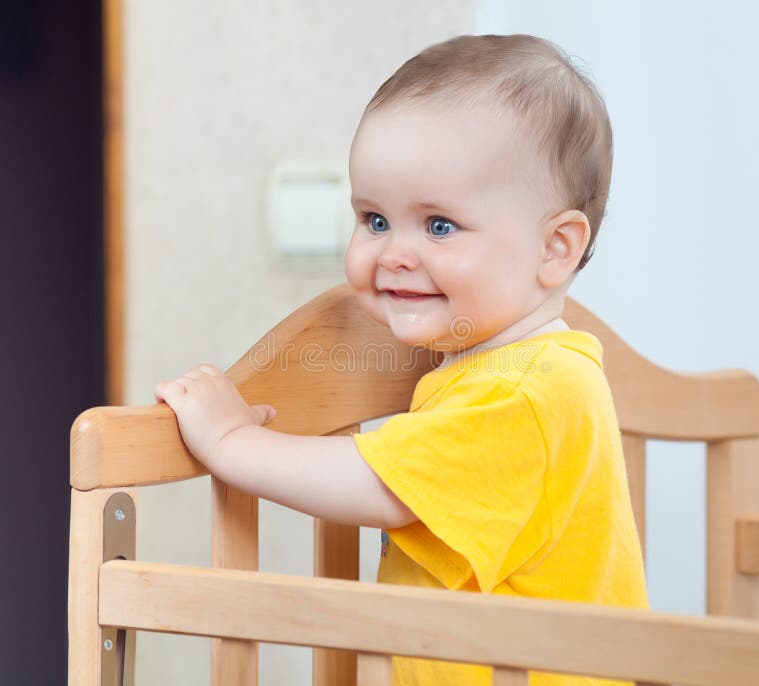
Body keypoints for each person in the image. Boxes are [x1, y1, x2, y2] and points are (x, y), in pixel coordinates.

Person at [154, 34, 649, 685]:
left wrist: (228, 439)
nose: (393, 254)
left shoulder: (529, 394)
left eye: (439, 225)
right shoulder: (495, 368)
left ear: (555, 248)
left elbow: (379, 485)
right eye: (375, 219)